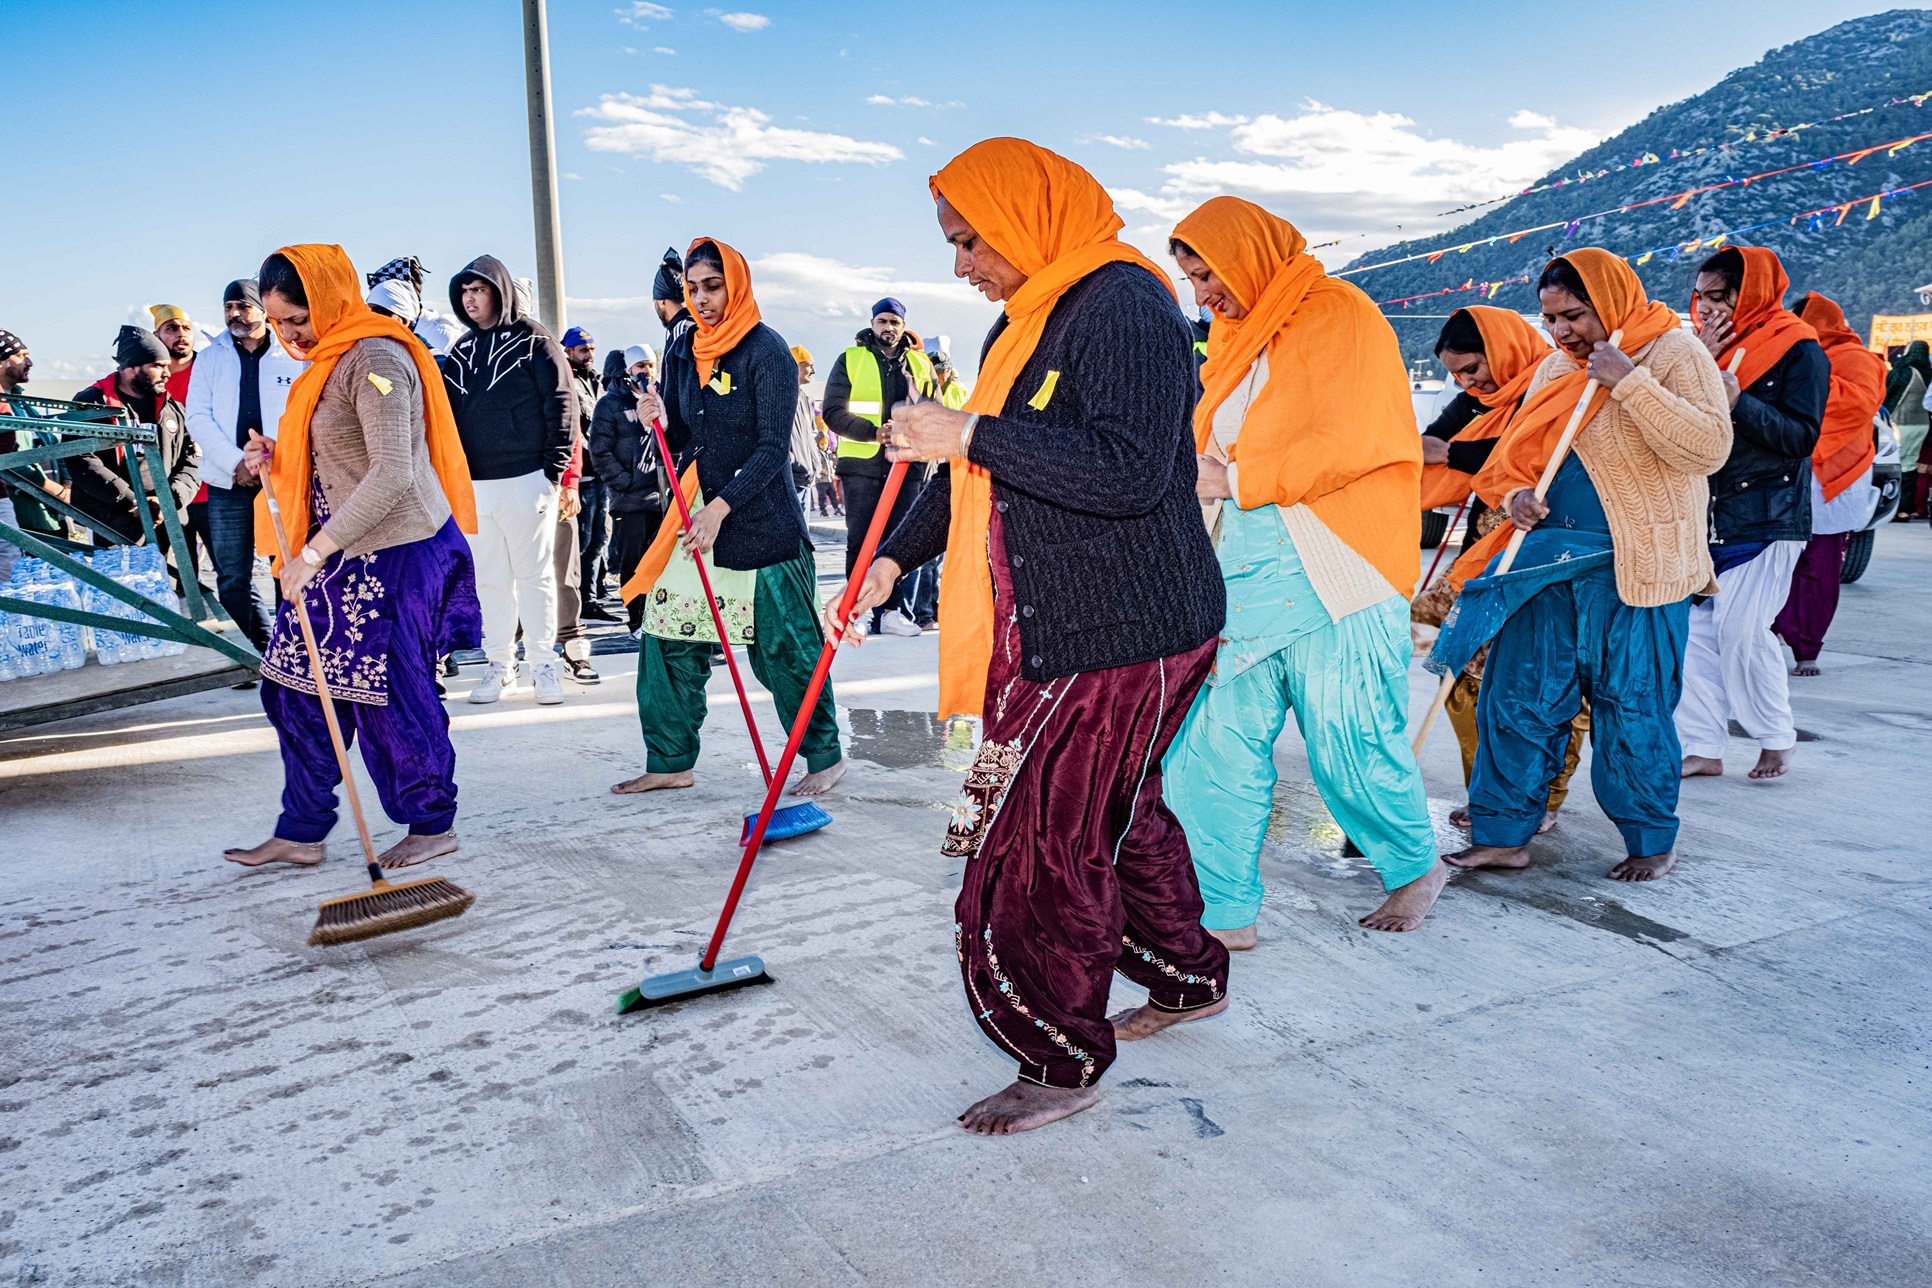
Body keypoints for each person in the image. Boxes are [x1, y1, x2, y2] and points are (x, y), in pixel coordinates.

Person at [830, 139, 1229, 1135]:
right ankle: (1186, 974)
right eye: (954, 242)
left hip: (1108, 630)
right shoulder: (1038, 314)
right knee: (1118, 809)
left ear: (1027, 217)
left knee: (1034, 838)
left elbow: (1131, 468)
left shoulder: (1124, 306)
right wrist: (893, 558)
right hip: (1107, 621)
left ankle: (1058, 1056)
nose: (959, 264)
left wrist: (964, 434)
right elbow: (986, 462)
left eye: (971, 239)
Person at [1157, 196, 1446, 942]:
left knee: (1349, 739)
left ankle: (1415, 866)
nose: (1202, 293)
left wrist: (1236, 479)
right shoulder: (1232, 339)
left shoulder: (1340, 313)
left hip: (1339, 563)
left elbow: (1359, 436)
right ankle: (1219, 910)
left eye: (1209, 272)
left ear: (1250, 252)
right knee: (1209, 743)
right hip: (1242, 569)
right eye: (1190, 278)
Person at [1444, 249, 1730, 883]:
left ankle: (1651, 841)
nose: (1561, 332)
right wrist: (1515, 496)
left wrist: (1628, 380)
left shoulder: (1676, 354)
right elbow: (1516, 462)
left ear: (1612, 301)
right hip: (1544, 566)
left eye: (1573, 315)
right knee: (1518, 700)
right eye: (1550, 319)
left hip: (1637, 569)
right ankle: (1503, 834)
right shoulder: (1553, 369)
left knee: (1632, 707)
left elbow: (1709, 448)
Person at [223, 244, 481, 871]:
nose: (289, 335)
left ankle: (431, 823)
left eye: (297, 320)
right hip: (335, 548)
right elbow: (337, 454)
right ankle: (302, 828)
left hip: (397, 549)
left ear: (332, 299)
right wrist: (272, 457)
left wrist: (314, 551)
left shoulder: (376, 356)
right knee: (293, 688)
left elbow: (393, 470)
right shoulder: (325, 360)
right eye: (279, 322)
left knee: (390, 694)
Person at [612, 238, 844, 798]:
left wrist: (722, 508)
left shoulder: (768, 351)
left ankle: (823, 754)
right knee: (666, 633)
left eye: (712, 286)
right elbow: (692, 436)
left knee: (785, 645)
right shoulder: (685, 348)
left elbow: (771, 449)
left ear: (735, 284)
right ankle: (670, 759)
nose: (702, 299)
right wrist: (660, 420)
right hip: (697, 515)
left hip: (760, 521)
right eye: (692, 289)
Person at [1410, 307, 1588, 834]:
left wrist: (1459, 453)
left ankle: (1543, 797)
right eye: (1458, 375)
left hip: (1543, 552)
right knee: (1459, 668)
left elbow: (1529, 455)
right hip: (1483, 553)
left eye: (1472, 369)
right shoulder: (1476, 401)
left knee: (1544, 683)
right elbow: (1428, 446)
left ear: (1503, 348)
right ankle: (1490, 791)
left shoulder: (1555, 385)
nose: (1467, 383)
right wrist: (1463, 453)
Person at [1675, 246, 1827, 782]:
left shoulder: (1799, 349)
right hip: (1705, 516)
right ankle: (1704, 746)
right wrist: (1694, 364)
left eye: (1722, 297)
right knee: (1691, 635)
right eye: (1703, 298)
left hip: (1767, 514)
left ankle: (1776, 738)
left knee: (1742, 631)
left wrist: (1739, 400)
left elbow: (1802, 438)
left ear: (1755, 291)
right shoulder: (1702, 348)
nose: (1710, 308)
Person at [442, 254, 574, 705]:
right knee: (489, 580)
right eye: (464, 291)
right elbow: (446, 417)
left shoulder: (537, 342)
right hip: (475, 485)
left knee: (535, 575)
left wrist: (553, 472)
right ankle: (500, 664)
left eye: (478, 290)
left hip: (527, 478)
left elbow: (561, 402)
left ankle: (544, 664)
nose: (470, 298)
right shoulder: (460, 350)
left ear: (500, 291)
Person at [184, 278, 306, 651]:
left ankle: (292, 649)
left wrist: (272, 460)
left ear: (263, 309)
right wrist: (237, 462)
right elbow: (198, 417)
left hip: (282, 478)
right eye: (228, 307)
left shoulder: (294, 353)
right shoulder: (209, 357)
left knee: (285, 567)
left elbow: (304, 413)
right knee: (233, 575)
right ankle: (257, 649)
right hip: (228, 480)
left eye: (243, 306)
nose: (234, 314)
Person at [1772, 293, 1886, 675]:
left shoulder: (1857, 359)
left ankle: (1808, 648)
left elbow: (1856, 405)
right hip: (1794, 469)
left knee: (1819, 570)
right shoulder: (1799, 354)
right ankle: (1774, 633)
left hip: (1836, 480)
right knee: (1778, 564)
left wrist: (1804, 384)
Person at [823, 297, 936, 636]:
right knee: (859, 541)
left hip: (907, 467)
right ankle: (854, 609)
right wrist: (874, 433)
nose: (888, 328)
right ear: (873, 324)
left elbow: (934, 411)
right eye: (882, 321)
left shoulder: (919, 363)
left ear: (904, 326)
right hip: (862, 465)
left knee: (898, 541)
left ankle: (891, 611)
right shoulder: (850, 360)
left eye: (895, 322)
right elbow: (832, 411)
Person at [71, 327, 201, 555]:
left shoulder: (173, 408)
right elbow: (82, 460)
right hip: (112, 519)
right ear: (131, 367)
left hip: (167, 517)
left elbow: (192, 460)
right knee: (118, 587)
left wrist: (168, 500)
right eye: (158, 366)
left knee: (168, 588)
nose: (167, 373)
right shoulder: (92, 402)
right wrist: (134, 501)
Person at [588, 343, 665, 635]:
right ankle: (636, 620)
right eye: (640, 366)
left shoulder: (659, 399)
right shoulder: (610, 405)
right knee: (633, 562)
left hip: (661, 497)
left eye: (650, 366)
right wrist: (624, 482)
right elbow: (600, 450)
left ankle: (658, 616)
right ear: (628, 370)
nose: (646, 371)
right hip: (631, 500)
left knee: (659, 562)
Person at [0, 330, 70, 552]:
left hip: (50, 514)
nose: (29, 362)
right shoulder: (4, 407)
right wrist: (57, 491)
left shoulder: (23, 402)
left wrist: (67, 484)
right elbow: (9, 461)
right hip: (23, 519)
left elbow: (53, 445)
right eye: (21, 355)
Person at [565, 328, 616, 623]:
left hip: (599, 471)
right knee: (582, 540)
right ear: (569, 351)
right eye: (583, 350)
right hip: (580, 473)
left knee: (600, 537)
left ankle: (593, 595)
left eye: (592, 349)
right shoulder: (567, 381)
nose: (589, 355)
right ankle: (581, 599)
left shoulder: (595, 381)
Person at [1884, 340, 1930, 519]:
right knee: (1910, 465)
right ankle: (1908, 508)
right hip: (1923, 425)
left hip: (1901, 423)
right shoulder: (1929, 373)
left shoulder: (1903, 372)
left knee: (1898, 464)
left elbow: (1885, 392)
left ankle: (1899, 508)